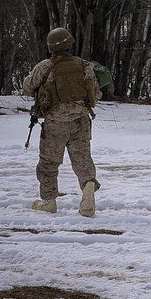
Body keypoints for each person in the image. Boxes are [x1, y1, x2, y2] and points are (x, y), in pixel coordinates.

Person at [22, 27, 102, 217]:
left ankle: (49, 202)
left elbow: (28, 88)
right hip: (81, 122)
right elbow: (96, 94)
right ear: (69, 44)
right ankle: (88, 189)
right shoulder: (85, 66)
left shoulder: (44, 67)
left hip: (55, 124)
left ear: (51, 47)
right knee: (82, 159)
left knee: (49, 163)